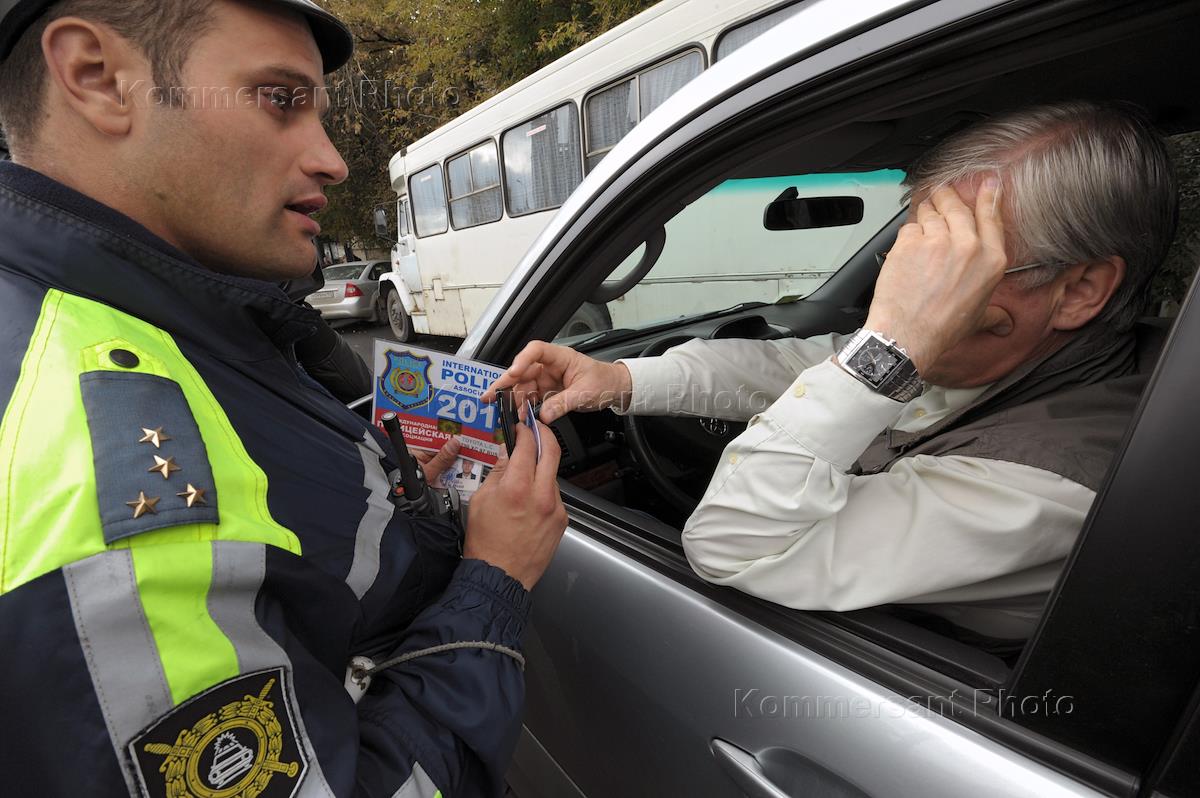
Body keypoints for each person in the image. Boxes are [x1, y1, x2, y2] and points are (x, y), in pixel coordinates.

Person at [0, 2, 567, 797]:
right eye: (278, 99)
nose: (333, 161)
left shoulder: (166, 322)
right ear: (99, 78)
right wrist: (495, 577)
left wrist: (417, 512)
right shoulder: (105, 481)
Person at [486, 101, 1176, 645]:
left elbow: (727, 543)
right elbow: (798, 363)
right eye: (916, 249)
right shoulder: (1007, 353)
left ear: (1080, 291)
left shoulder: (1052, 487)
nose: (902, 289)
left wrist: (892, 344)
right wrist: (620, 380)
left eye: (959, 264)